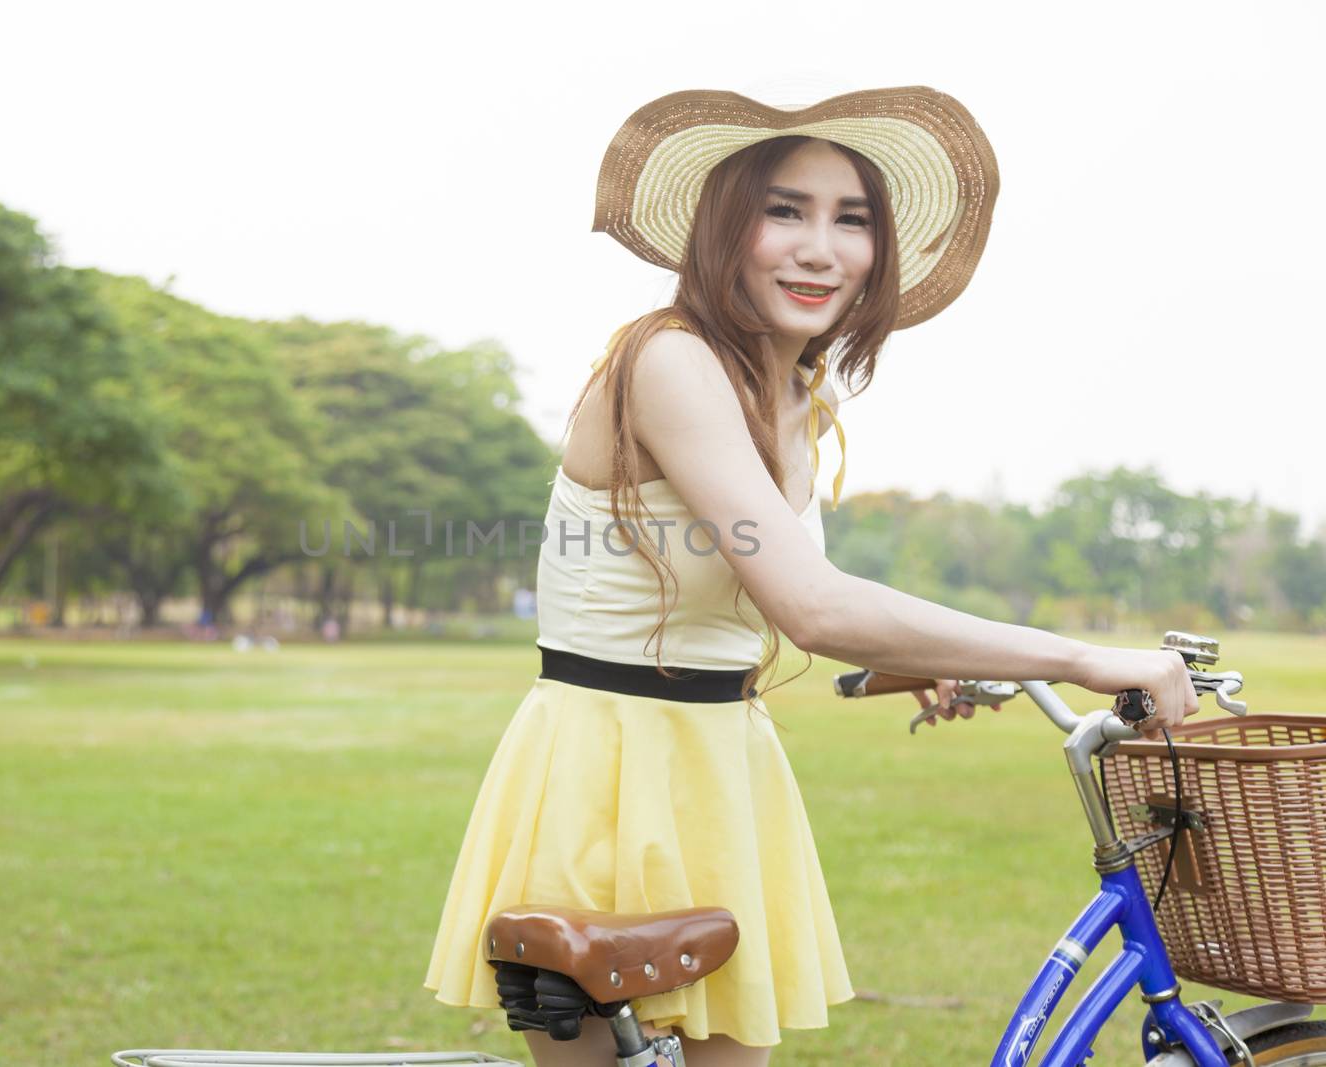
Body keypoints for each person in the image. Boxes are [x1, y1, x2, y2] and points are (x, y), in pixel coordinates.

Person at [422, 85, 1198, 1067]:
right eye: (783, 210)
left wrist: (903, 661)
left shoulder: (796, 391)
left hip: (722, 765)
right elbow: (811, 603)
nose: (820, 247)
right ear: (722, 229)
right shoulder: (670, 361)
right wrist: (1083, 654)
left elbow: (785, 589)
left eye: (852, 219)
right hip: (613, 768)